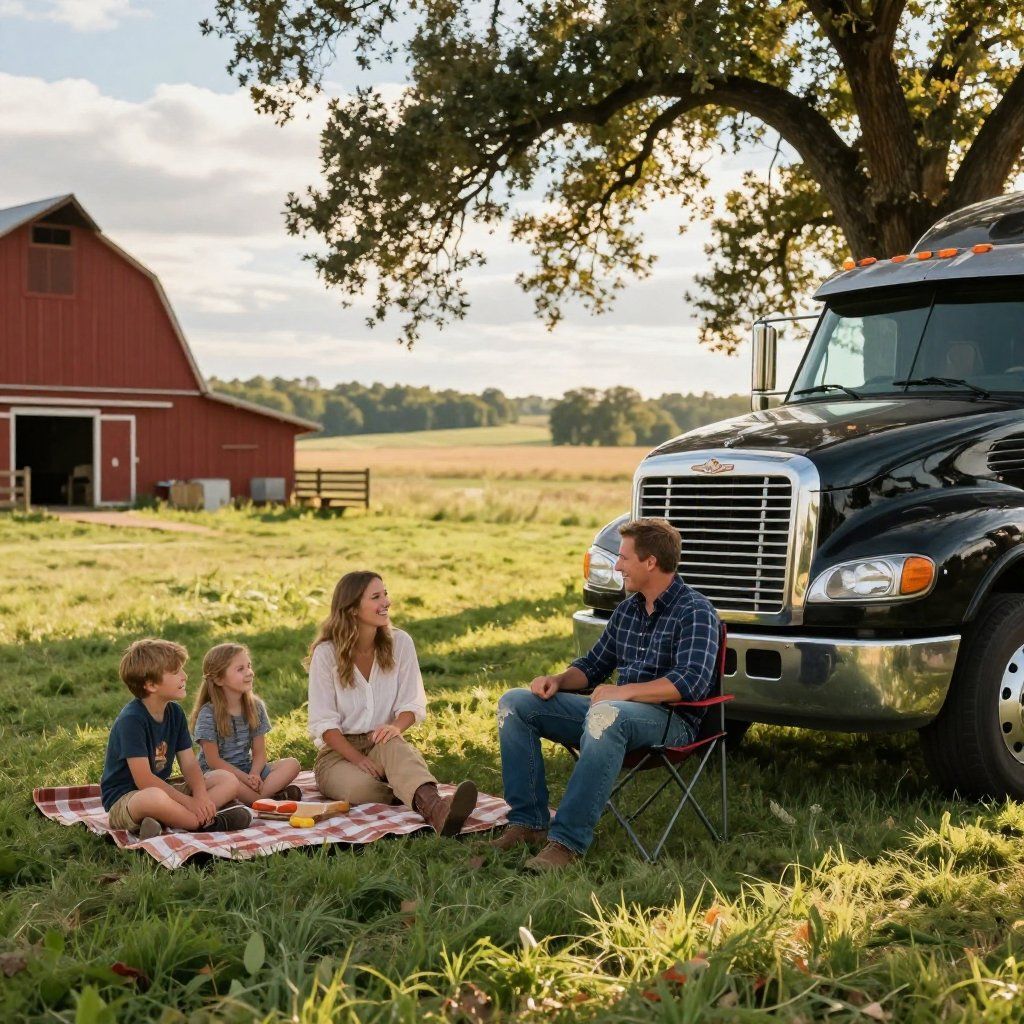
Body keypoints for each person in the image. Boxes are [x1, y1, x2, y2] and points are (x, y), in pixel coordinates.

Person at [490, 518, 720, 871]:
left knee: (606, 713)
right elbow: (593, 666)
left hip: (673, 722)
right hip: (613, 712)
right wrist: (557, 679)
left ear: (650, 562)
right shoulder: (627, 609)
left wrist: (624, 692)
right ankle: (529, 824)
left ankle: (566, 843)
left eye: (624, 558)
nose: (616, 565)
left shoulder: (696, 611)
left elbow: (690, 683)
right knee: (515, 704)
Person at [307, 571, 478, 835]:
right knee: (361, 789)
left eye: (385, 594)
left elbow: (412, 703)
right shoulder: (326, 653)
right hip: (338, 753)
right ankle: (406, 786)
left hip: (382, 739)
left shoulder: (401, 642)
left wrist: (396, 727)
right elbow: (324, 723)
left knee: (395, 746)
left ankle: (438, 810)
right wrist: (357, 759)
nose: (386, 602)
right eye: (376, 597)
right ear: (352, 608)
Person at [100, 638, 251, 839]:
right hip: (128, 801)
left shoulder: (175, 713)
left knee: (227, 779)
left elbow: (189, 764)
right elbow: (144, 780)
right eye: (176, 672)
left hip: (163, 791)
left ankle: (165, 820)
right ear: (151, 685)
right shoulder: (131, 720)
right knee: (153, 799)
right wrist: (189, 802)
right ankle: (204, 823)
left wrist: (201, 796)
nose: (185, 676)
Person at [190, 642, 302, 806]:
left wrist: (255, 774)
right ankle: (264, 799)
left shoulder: (255, 707)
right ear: (219, 679)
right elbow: (213, 761)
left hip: (247, 769)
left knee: (292, 764)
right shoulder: (208, 714)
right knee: (230, 783)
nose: (249, 672)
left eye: (248, 666)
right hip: (218, 775)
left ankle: (256, 798)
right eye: (240, 669)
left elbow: (259, 753)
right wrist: (244, 778)